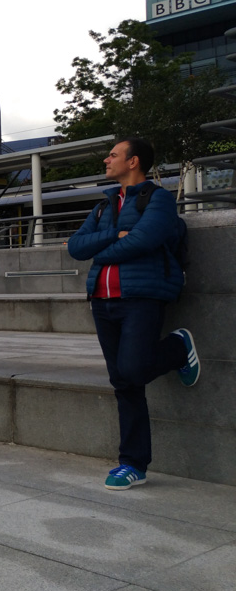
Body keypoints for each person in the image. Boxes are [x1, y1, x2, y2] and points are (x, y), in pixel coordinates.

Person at [68, 137, 200, 490]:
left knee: (134, 368)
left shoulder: (156, 199)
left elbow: (144, 240)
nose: (106, 160)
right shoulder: (102, 207)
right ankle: (133, 464)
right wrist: (114, 234)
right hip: (101, 300)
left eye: (113, 155)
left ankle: (177, 346)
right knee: (124, 383)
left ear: (133, 162)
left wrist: (104, 249)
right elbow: (75, 246)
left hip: (141, 297)